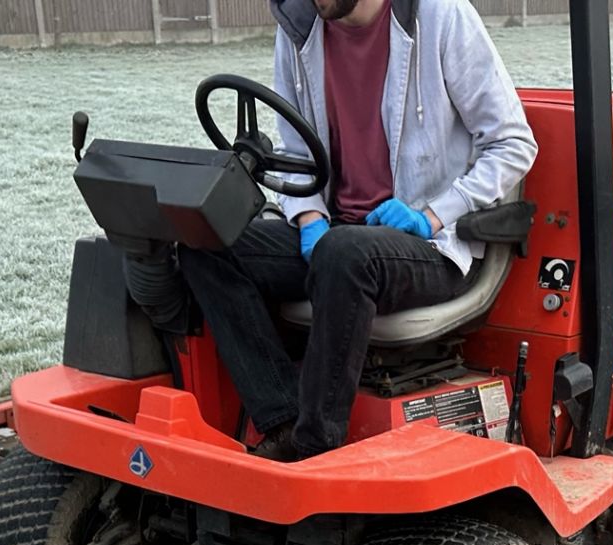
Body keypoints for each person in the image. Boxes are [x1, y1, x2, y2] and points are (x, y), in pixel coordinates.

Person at [179, 0, 537, 462]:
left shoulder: (441, 17)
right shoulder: (300, 27)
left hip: (429, 243)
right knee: (204, 239)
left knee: (345, 254)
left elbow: (512, 143)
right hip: (337, 235)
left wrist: (430, 214)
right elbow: (293, 148)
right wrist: (310, 219)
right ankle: (284, 418)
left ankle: (315, 447)